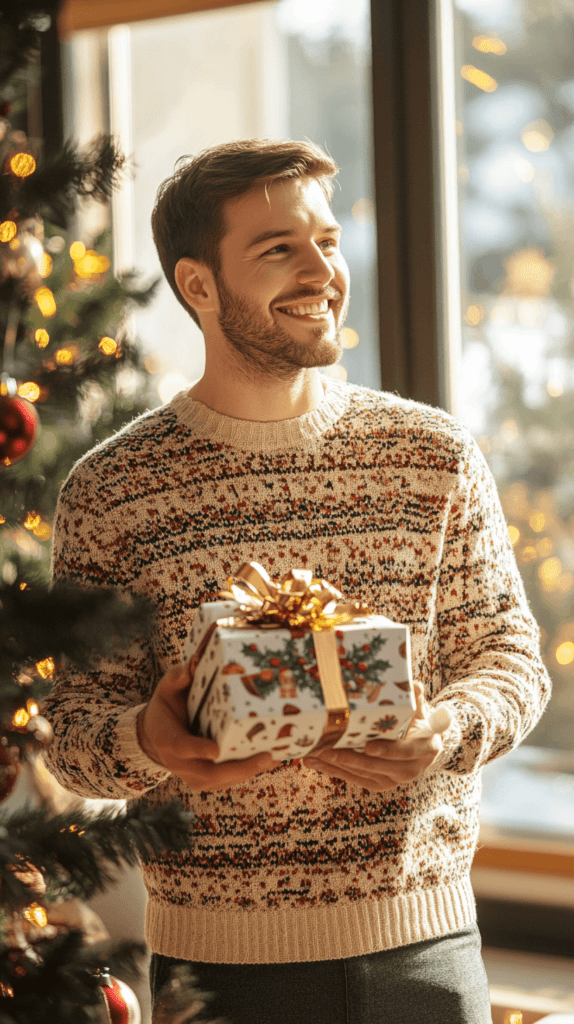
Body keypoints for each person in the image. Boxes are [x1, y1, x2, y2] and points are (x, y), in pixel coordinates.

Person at [45, 139, 551, 1024]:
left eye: (327, 238)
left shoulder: (433, 456)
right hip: (218, 976)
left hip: (427, 958)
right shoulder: (111, 492)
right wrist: (149, 740)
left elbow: (511, 659)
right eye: (278, 247)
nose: (322, 270)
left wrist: (447, 730)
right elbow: (73, 735)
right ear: (199, 286)